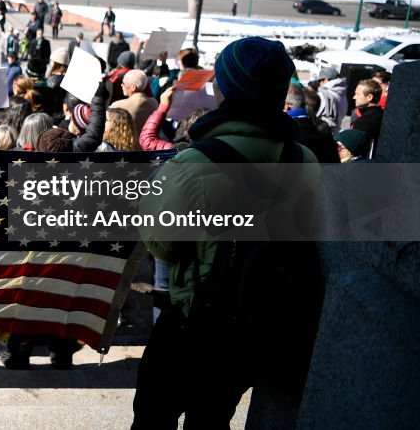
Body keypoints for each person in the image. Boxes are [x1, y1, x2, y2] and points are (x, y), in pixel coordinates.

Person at [133, 36, 321, 429]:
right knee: (213, 419)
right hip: (260, 323)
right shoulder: (303, 160)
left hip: (195, 318)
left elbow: (161, 244)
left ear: (225, 89)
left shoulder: (195, 162)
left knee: (153, 417)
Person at [111, 69, 159, 135]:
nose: (121, 85)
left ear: (133, 87)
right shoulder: (154, 103)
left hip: (127, 143)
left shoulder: (117, 105)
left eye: (124, 83)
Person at [349, 78, 383, 150]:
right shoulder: (382, 114)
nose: (354, 97)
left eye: (357, 94)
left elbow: (353, 148)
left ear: (369, 97)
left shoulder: (365, 122)